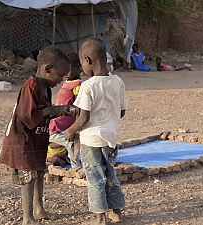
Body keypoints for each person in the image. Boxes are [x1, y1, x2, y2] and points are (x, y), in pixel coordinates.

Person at [0, 46, 79, 225]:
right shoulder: (32, 85)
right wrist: (57, 110)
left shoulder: (45, 87)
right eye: (60, 76)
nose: (61, 80)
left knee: (39, 172)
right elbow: (27, 114)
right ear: (47, 69)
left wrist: (63, 111)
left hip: (36, 138)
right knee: (28, 177)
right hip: (23, 140)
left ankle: (39, 209)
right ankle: (28, 218)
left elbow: (45, 111)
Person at [65, 37, 127, 225]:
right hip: (110, 138)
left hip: (91, 140)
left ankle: (99, 217)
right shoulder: (118, 81)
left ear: (88, 61)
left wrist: (70, 131)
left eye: (82, 62)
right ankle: (116, 212)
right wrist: (109, 118)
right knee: (110, 174)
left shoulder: (88, 86)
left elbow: (83, 117)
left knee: (95, 177)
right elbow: (122, 111)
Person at [47, 52, 82, 168]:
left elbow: (79, 105)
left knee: (72, 141)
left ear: (79, 68)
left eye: (69, 69)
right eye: (64, 70)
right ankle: (75, 167)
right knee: (71, 142)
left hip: (60, 127)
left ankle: (71, 163)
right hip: (56, 127)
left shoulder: (76, 84)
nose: (66, 73)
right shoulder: (70, 83)